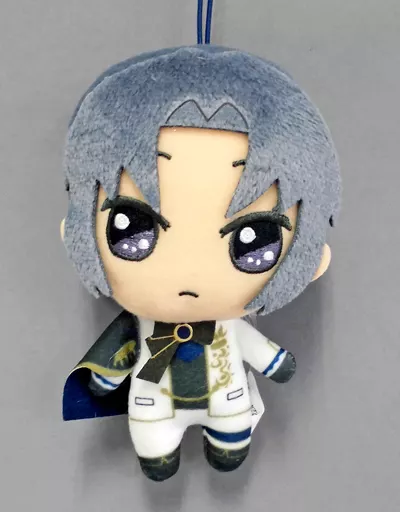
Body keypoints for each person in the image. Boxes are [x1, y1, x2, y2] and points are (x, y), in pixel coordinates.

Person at [61, 45, 341, 481]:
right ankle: (160, 452)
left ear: (311, 258)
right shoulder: (144, 327)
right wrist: (103, 378)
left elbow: (260, 352)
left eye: (255, 243)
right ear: (76, 233)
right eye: (132, 230)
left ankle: (227, 443)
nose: (189, 275)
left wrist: (275, 362)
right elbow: (117, 355)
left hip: (226, 401)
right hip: (154, 405)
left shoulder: (228, 328)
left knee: (230, 425)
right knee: (154, 439)